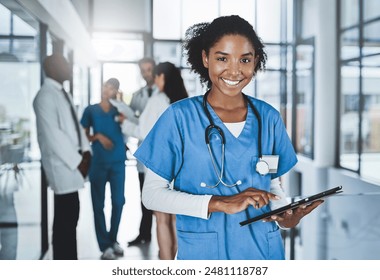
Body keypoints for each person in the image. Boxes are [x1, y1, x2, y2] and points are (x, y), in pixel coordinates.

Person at [134, 15, 323, 260]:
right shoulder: (178, 118)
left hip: (264, 253)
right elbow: (152, 195)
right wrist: (218, 203)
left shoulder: (269, 118)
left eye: (245, 59)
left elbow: (273, 186)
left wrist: (285, 216)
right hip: (204, 254)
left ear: (255, 61)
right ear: (205, 58)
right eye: (222, 58)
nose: (234, 70)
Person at [121, 62, 188, 259]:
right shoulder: (185, 100)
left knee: (161, 218)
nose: (155, 80)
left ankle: (166, 263)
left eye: (157, 76)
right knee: (176, 218)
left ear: (162, 78)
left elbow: (144, 132)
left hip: (160, 165)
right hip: (181, 166)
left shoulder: (157, 100)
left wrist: (124, 123)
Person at [33, 54, 91, 260]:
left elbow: (76, 128)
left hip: (73, 166)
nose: (68, 66)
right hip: (64, 166)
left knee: (70, 218)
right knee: (65, 223)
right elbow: (53, 136)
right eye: (64, 63)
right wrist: (79, 162)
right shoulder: (45, 96)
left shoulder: (61, 93)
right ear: (53, 67)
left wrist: (86, 152)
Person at [80, 78, 126, 260]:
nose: (108, 90)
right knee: (98, 204)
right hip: (98, 162)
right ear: (101, 87)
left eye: (113, 88)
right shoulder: (90, 110)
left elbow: (132, 124)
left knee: (119, 201)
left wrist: (121, 104)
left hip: (118, 161)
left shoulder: (119, 109)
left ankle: (113, 239)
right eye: (106, 86)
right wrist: (98, 136)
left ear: (116, 91)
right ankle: (104, 245)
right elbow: (83, 136)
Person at [126, 57, 158, 247]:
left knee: (162, 198)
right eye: (143, 70)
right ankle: (144, 234)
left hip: (160, 153)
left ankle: (168, 236)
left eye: (149, 69)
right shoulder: (137, 96)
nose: (146, 74)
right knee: (144, 196)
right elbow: (133, 120)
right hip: (144, 152)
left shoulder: (163, 94)